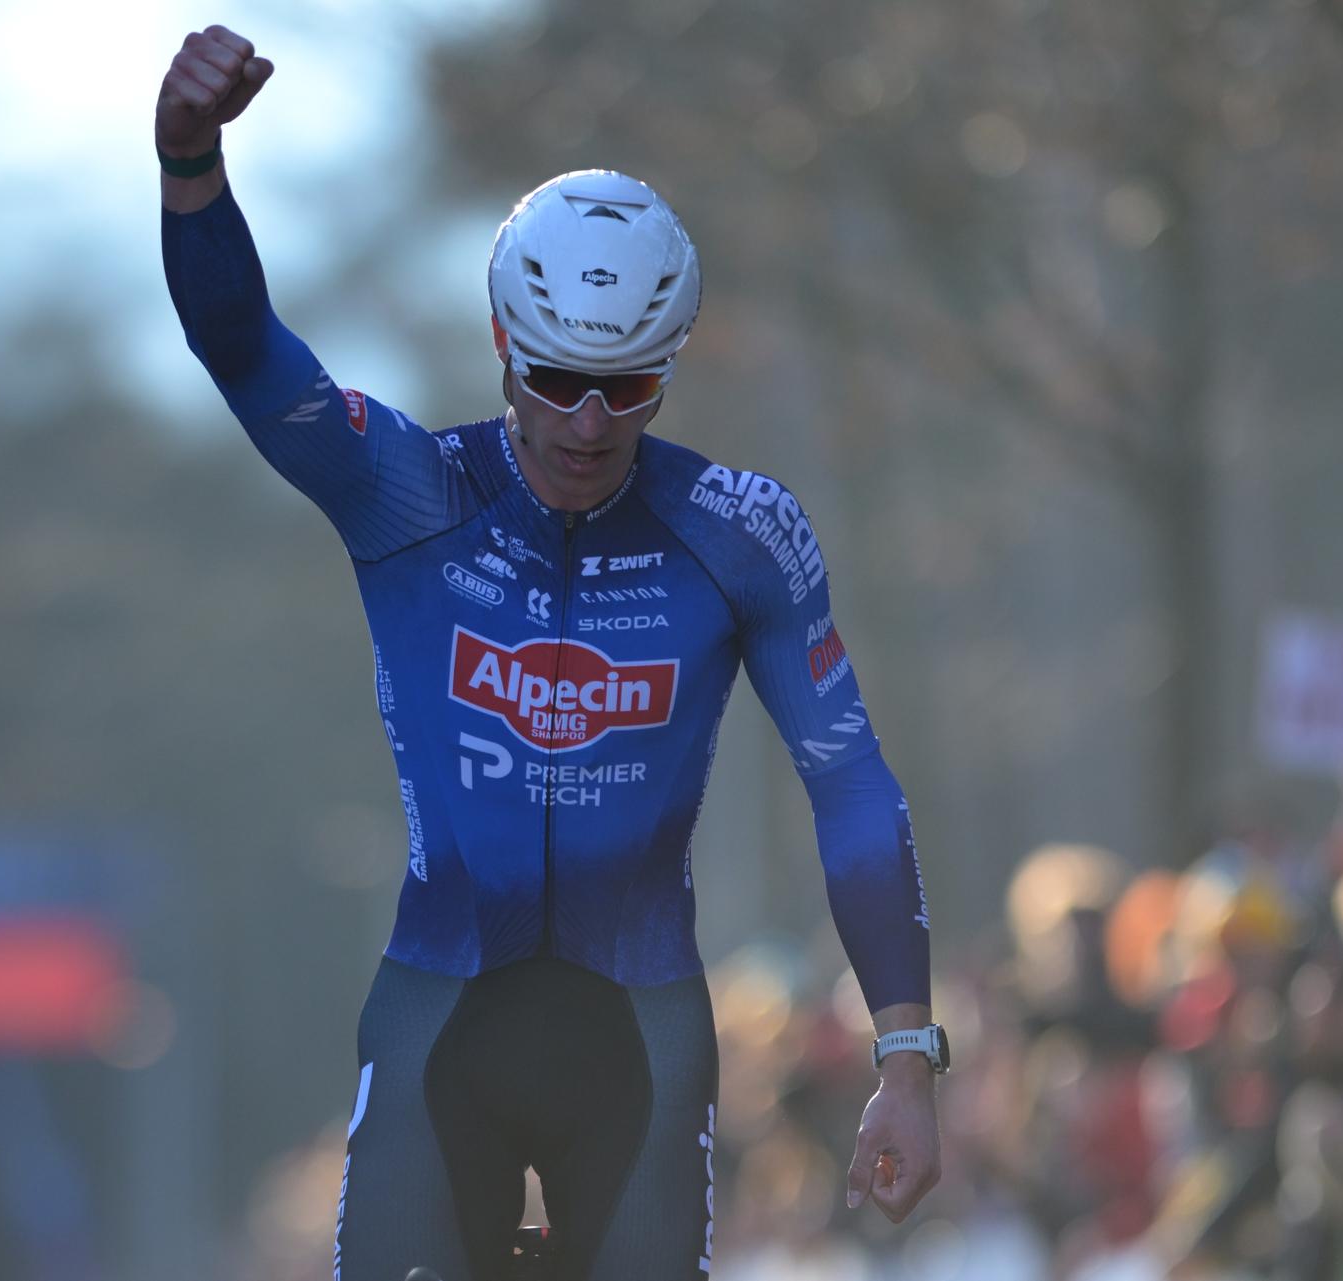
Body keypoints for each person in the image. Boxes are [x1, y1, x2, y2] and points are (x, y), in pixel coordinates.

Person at [155, 25, 943, 1280]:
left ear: (669, 368)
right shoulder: (407, 492)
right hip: (441, 1015)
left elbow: (848, 783)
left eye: (626, 388)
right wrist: (190, 161)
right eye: (560, 377)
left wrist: (906, 1057)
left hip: (639, 1034)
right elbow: (240, 347)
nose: (586, 422)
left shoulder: (740, 533)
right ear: (502, 346)